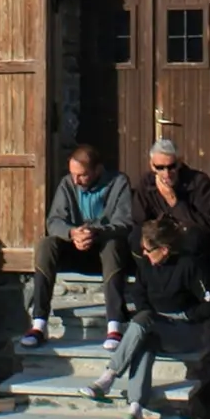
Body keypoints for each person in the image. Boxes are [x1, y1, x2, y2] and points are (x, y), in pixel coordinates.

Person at [28, 143, 143, 341]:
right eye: (73, 174)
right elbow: (54, 221)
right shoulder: (67, 184)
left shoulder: (118, 182)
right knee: (46, 245)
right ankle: (39, 322)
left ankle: (114, 324)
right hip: (75, 248)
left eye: (82, 175)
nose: (76, 180)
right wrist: (72, 233)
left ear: (98, 169)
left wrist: (96, 232)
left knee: (114, 246)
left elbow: (124, 222)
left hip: (104, 249)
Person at [87, 216, 178, 419]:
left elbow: (208, 303)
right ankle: (136, 406)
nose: (144, 254)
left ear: (164, 249)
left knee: (144, 321)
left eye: (148, 250)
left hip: (183, 329)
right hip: (155, 326)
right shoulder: (146, 266)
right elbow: (138, 293)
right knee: (145, 342)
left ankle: (109, 376)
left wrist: (187, 314)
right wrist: (150, 313)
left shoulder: (189, 266)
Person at [137, 140, 210, 319]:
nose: (166, 173)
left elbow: (208, 224)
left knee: (193, 238)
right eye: (160, 168)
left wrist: (175, 203)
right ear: (152, 166)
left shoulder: (199, 182)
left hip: (187, 246)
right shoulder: (146, 183)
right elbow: (138, 218)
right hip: (159, 243)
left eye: (171, 167)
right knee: (134, 238)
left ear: (180, 162)